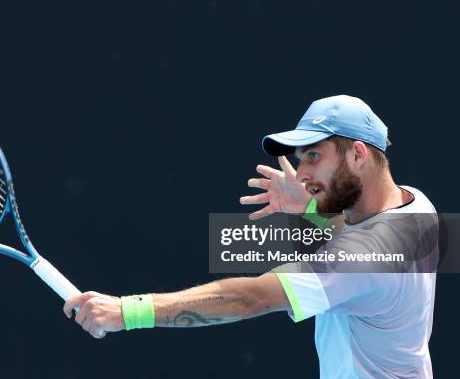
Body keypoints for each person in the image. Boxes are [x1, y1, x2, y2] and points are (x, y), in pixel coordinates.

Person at [63, 95, 437, 378]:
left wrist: (129, 312)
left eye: (313, 156)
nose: (302, 174)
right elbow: (363, 243)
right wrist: (311, 208)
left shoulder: (369, 256)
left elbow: (250, 298)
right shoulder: (416, 205)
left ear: (358, 154)